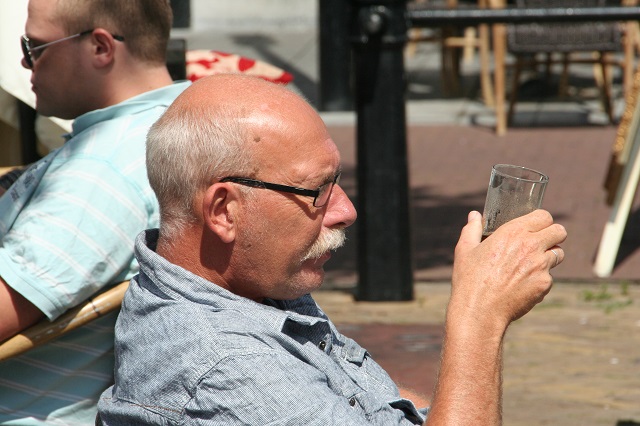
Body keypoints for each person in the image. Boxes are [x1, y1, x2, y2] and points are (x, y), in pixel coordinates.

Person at [97, 74, 567, 425]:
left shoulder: (249, 282)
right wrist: (479, 318)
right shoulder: (228, 368)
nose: (345, 210)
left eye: (337, 180)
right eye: (316, 191)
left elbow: (360, 396)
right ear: (224, 210)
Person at [0, 0, 190, 423]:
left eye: (35, 46)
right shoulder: (181, 124)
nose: (24, 61)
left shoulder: (101, 171)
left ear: (101, 47)